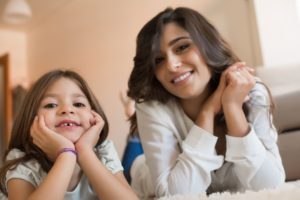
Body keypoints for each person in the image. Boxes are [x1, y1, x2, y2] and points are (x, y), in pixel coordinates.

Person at [127, 7, 285, 199]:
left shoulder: (251, 91)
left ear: (207, 45)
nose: (171, 64)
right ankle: (133, 139)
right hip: (142, 175)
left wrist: (232, 108)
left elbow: (272, 186)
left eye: (182, 47)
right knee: (130, 166)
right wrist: (207, 112)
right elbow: (173, 196)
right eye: (158, 60)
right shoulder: (151, 107)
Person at [0, 70, 138, 200]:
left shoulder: (103, 152)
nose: (67, 109)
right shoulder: (21, 161)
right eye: (51, 105)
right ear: (31, 119)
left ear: (95, 115)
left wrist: (85, 152)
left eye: (78, 104)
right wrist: (66, 155)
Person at [119, 91, 143, 183]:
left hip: (140, 142)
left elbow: (130, 112)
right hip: (136, 141)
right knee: (127, 174)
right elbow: (130, 111)